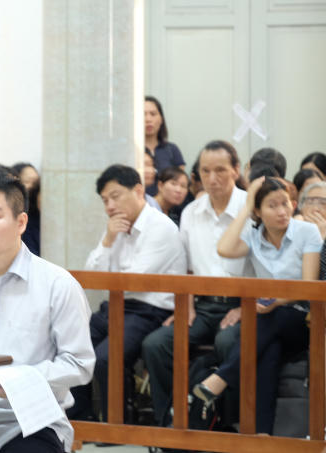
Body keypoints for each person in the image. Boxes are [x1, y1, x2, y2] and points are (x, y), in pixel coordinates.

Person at [0, 171, 95, 453]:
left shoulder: (57, 284)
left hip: (31, 421)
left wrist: (17, 380)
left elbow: (79, 364)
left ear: (21, 222)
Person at [193, 176, 321, 434]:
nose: (282, 211)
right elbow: (224, 249)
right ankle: (262, 436)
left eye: (285, 203)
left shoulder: (307, 232)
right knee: (268, 351)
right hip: (267, 322)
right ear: (258, 211)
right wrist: (247, 203)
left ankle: (221, 378)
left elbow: (308, 288)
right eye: (272, 205)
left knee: (274, 318)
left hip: (302, 320)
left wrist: (276, 302)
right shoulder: (253, 236)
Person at [142, 140, 251, 428]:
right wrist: (185, 306)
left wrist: (245, 307)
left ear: (236, 170)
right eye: (205, 171)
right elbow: (186, 268)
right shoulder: (191, 211)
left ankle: (228, 426)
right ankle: (171, 423)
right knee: (156, 344)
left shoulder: (250, 209)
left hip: (242, 306)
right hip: (202, 306)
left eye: (220, 170)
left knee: (228, 342)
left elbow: (263, 267)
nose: (212, 179)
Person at [78, 165, 187, 422]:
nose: (110, 206)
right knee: (74, 347)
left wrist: (111, 273)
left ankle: (118, 427)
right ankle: (81, 420)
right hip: (117, 306)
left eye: (115, 197)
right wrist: (108, 240)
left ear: (138, 191)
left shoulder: (160, 227)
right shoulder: (115, 228)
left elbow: (134, 281)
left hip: (150, 311)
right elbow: (92, 276)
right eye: (105, 200)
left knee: (105, 358)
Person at [145, 95, 185, 195]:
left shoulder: (172, 149)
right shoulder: (131, 152)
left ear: (161, 119)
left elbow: (181, 184)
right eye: (143, 114)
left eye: (153, 114)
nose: (148, 119)